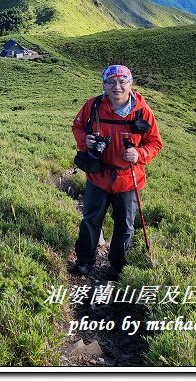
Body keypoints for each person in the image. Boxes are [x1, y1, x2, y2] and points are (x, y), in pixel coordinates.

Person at [71, 64, 162, 279]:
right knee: (91, 220)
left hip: (129, 178)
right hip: (98, 175)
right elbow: (77, 127)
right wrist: (86, 141)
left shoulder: (142, 111)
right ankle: (84, 262)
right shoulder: (93, 106)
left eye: (123, 82)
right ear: (104, 84)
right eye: (111, 82)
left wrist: (140, 155)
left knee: (125, 225)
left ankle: (118, 266)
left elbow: (155, 143)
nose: (117, 87)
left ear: (131, 84)